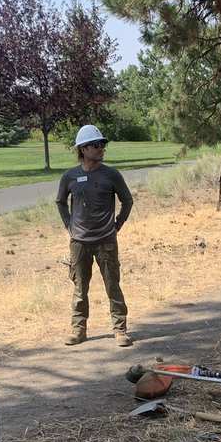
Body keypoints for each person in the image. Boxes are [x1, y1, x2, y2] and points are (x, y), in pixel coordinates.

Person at [56, 124, 134, 347]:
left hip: (106, 241)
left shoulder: (111, 175)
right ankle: (78, 330)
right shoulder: (69, 176)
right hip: (79, 242)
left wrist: (117, 225)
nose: (100, 149)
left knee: (113, 285)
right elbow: (60, 202)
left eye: (102, 145)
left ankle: (120, 330)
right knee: (80, 288)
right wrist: (68, 225)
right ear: (82, 149)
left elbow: (127, 201)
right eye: (95, 145)